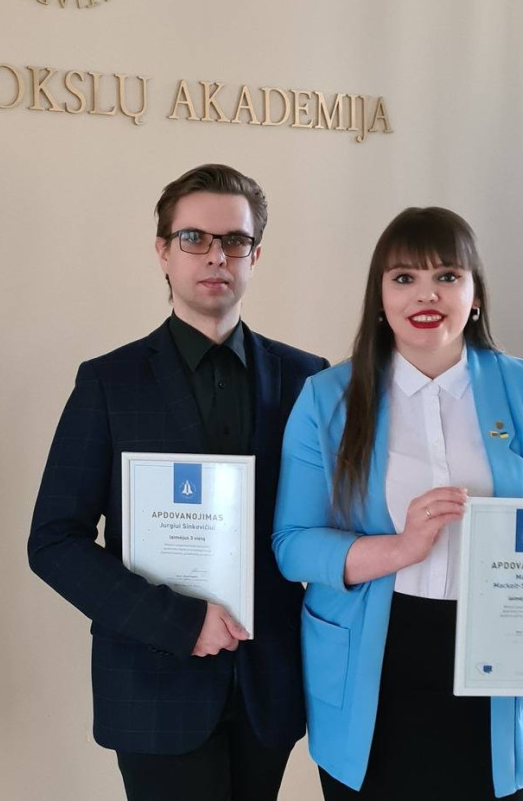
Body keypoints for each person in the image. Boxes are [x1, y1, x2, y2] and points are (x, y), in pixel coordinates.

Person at [272, 207, 523, 800]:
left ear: (475, 295)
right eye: (404, 277)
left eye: (447, 276)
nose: (426, 295)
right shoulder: (326, 399)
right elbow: (293, 546)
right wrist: (400, 548)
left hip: (497, 656)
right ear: (380, 297)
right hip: (372, 663)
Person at [28, 164, 329, 801]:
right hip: (153, 683)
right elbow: (54, 541)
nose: (216, 256)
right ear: (163, 252)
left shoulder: (308, 379)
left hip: (268, 688)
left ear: (254, 255)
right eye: (194, 238)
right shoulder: (109, 383)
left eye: (235, 241)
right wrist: (178, 622)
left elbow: (326, 523)